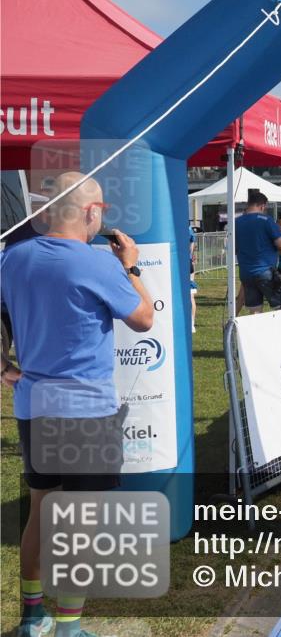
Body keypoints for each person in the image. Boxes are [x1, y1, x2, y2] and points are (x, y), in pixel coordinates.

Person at [1, 172, 154, 637]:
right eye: (101, 213)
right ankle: (68, 625)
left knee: (42, 509)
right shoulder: (98, 264)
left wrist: (3, 368)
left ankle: (32, 616)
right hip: (86, 408)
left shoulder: (11, 258)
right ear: (91, 212)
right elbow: (144, 318)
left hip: (34, 405)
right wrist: (130, 265)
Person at [235, 190, 281, 313]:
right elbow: (280, 244)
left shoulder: (237, 222)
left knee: (255, 311)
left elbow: (234, 248)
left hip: (246, 273)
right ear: (263, 205)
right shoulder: (266, 220)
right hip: (265, 271)